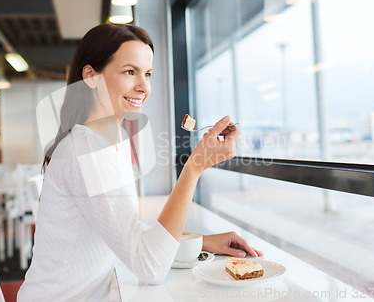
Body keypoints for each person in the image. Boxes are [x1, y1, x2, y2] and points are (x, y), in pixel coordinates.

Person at [17, 24, 262, 301]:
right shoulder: (86, 150)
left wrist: (203, 242)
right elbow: (150, 266)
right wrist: (194, 167)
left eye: (147, 74)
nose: (144, 86)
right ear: (91, 76)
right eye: (129, 72)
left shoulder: (112, 139)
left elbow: (126, 234)